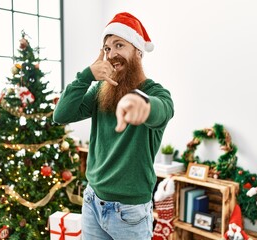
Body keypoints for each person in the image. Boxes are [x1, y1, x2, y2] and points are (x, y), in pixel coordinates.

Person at [53, 12, 174, 240]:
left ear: (138, 51)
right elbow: (61, 114)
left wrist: (143, 105)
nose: (112, 54)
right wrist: (86, 76)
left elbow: (163, 109)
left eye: (119, 45)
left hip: (129, 213)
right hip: (92, 202)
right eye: (107, 48)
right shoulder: (101, 91)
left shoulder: (154, 93)